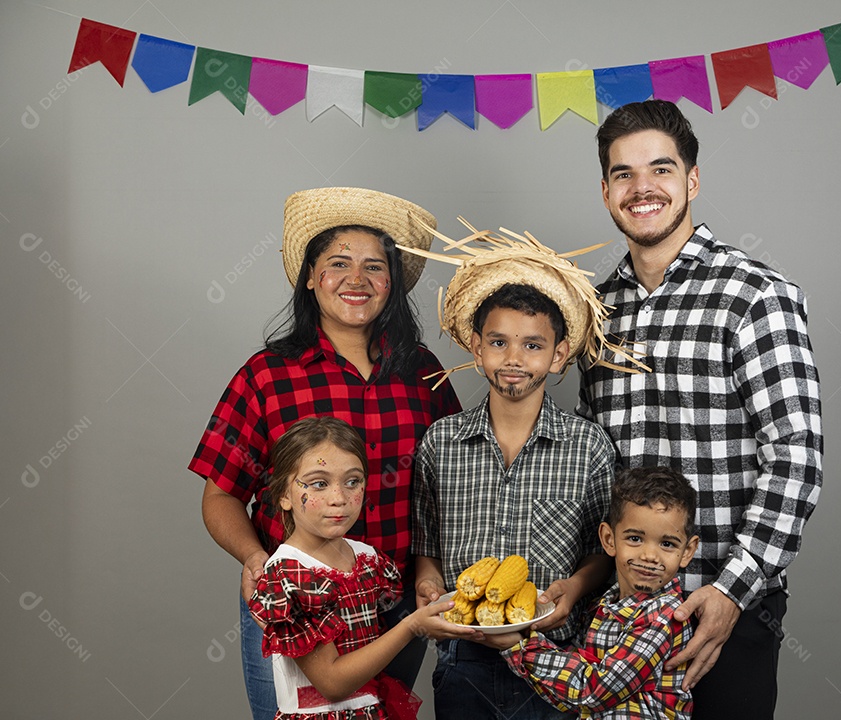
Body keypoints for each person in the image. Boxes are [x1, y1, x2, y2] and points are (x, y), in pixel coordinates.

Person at [579, 100, 823, 719]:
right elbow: (591, 463)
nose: (643, 189)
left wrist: (733, 592)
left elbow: (796, 458)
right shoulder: (594, 313)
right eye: (624, 174)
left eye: (660, 170)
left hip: (723, 601)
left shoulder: (755, 295)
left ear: (691, 180)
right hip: (620, 609)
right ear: (605, 191)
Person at [189, 187, 463, 720]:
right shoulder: (266, 375)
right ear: (311, 277)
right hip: (300, 605)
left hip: (397, 602)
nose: (356, 280)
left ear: (393, 282)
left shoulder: (423, 372)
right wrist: (255, 559)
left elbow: (448, 486)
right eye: (338, 264)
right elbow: (220, 494)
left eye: (374, 267)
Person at [406, 223, 644, 720]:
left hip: (557, 657)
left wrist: (575, 588)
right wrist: (428, 588)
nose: (514, 359)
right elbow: (425, 545)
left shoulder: (588, 446)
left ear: (559, 355)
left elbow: (603, 551)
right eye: (499, 342)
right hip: (463, 657)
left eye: (533, 346)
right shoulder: (441, 444)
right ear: (476, 347)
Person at [249, 416, 479, 720]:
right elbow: (332, 683)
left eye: (352, 481)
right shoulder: (289, 575)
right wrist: (413, 626)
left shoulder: (368, 559)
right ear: (284, 495)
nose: (339, 498)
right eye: (319, 483)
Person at [488, 466, 700, 719]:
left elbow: (594, 692)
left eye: (667, 544)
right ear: (609, 539)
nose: (649, 556)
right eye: (634, 538)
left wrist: (523, 647)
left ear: (687, 551)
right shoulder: (601, 607)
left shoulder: (663, 617)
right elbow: (570, 697)